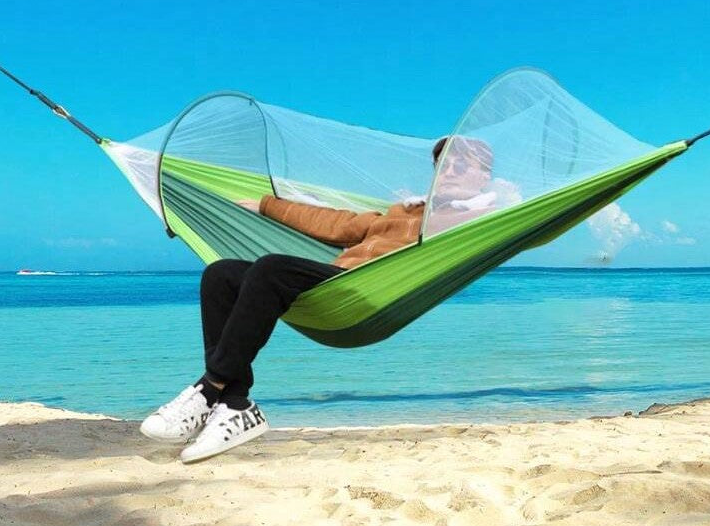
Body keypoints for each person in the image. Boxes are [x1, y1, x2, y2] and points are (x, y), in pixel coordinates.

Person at [140, 134, 496, 463]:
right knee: (221, 274)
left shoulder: (479, 217)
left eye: (460, 165)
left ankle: (208, 389)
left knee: (271, 268)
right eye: (443, 163)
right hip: (337, 283)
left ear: (483, 177)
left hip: (370, 294)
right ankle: (235, 403)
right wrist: (265, 205)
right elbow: (337, 223)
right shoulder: (405, 210)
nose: (447, 170)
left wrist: (496, 200)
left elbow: (503, 226)